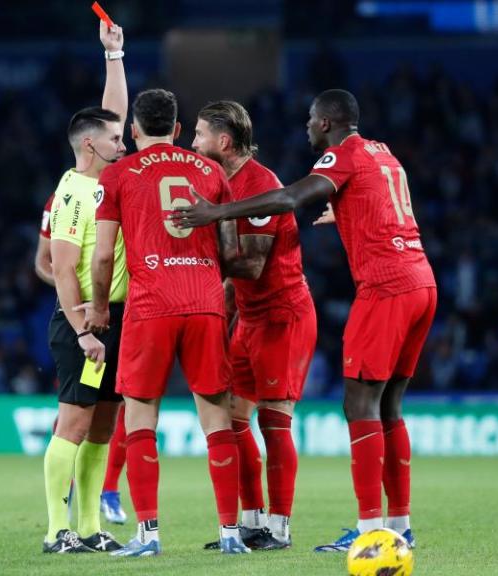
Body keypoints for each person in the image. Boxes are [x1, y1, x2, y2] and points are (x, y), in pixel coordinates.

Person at [172, 89, 437, 552]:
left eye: (312, 120)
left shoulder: (344, 155)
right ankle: (398, 524)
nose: (307, 127)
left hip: (384, 287)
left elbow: (292, 197)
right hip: (420, 280)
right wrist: (349, 209)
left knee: (360, 405)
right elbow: (384, 195)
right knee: (389, 407)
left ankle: (371, 528)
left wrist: (215, 214)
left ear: (329, 124)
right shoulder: (382, 152)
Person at [83, 88, 249, 557]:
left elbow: (100, 258)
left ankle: (148, 534)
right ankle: (230, 533)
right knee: (216, 419)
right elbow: (232, 249)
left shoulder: (117, 175)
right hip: (204, 302)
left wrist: (98, 308)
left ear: (133, 130)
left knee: (139, 418)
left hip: (150, 303)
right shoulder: (212, 171)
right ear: (177, 130)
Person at [191, 100, 317, 551]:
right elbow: (235, 278)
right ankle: (251, 521)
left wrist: (200, 263)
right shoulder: (224, 185)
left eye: (200, 135)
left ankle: (279, 528)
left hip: (282, 317)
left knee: (274, 422)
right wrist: (221, 316)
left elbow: (254, 265)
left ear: (224, 142)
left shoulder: (259, 184)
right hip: (248, 319)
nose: (193, 143)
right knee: (233, 418)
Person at [41, 19, 129, 554]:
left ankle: (92, 527)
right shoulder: (75, 192)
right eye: (116, 139)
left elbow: (111, 113)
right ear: (92, 146)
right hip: (87, 326)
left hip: (115, 319)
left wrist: (114, 56)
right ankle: (57, 531)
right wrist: (83, 330)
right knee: (73, 425)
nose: (125, 141)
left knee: (102, 430)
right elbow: (62, 266)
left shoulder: (105, 183)